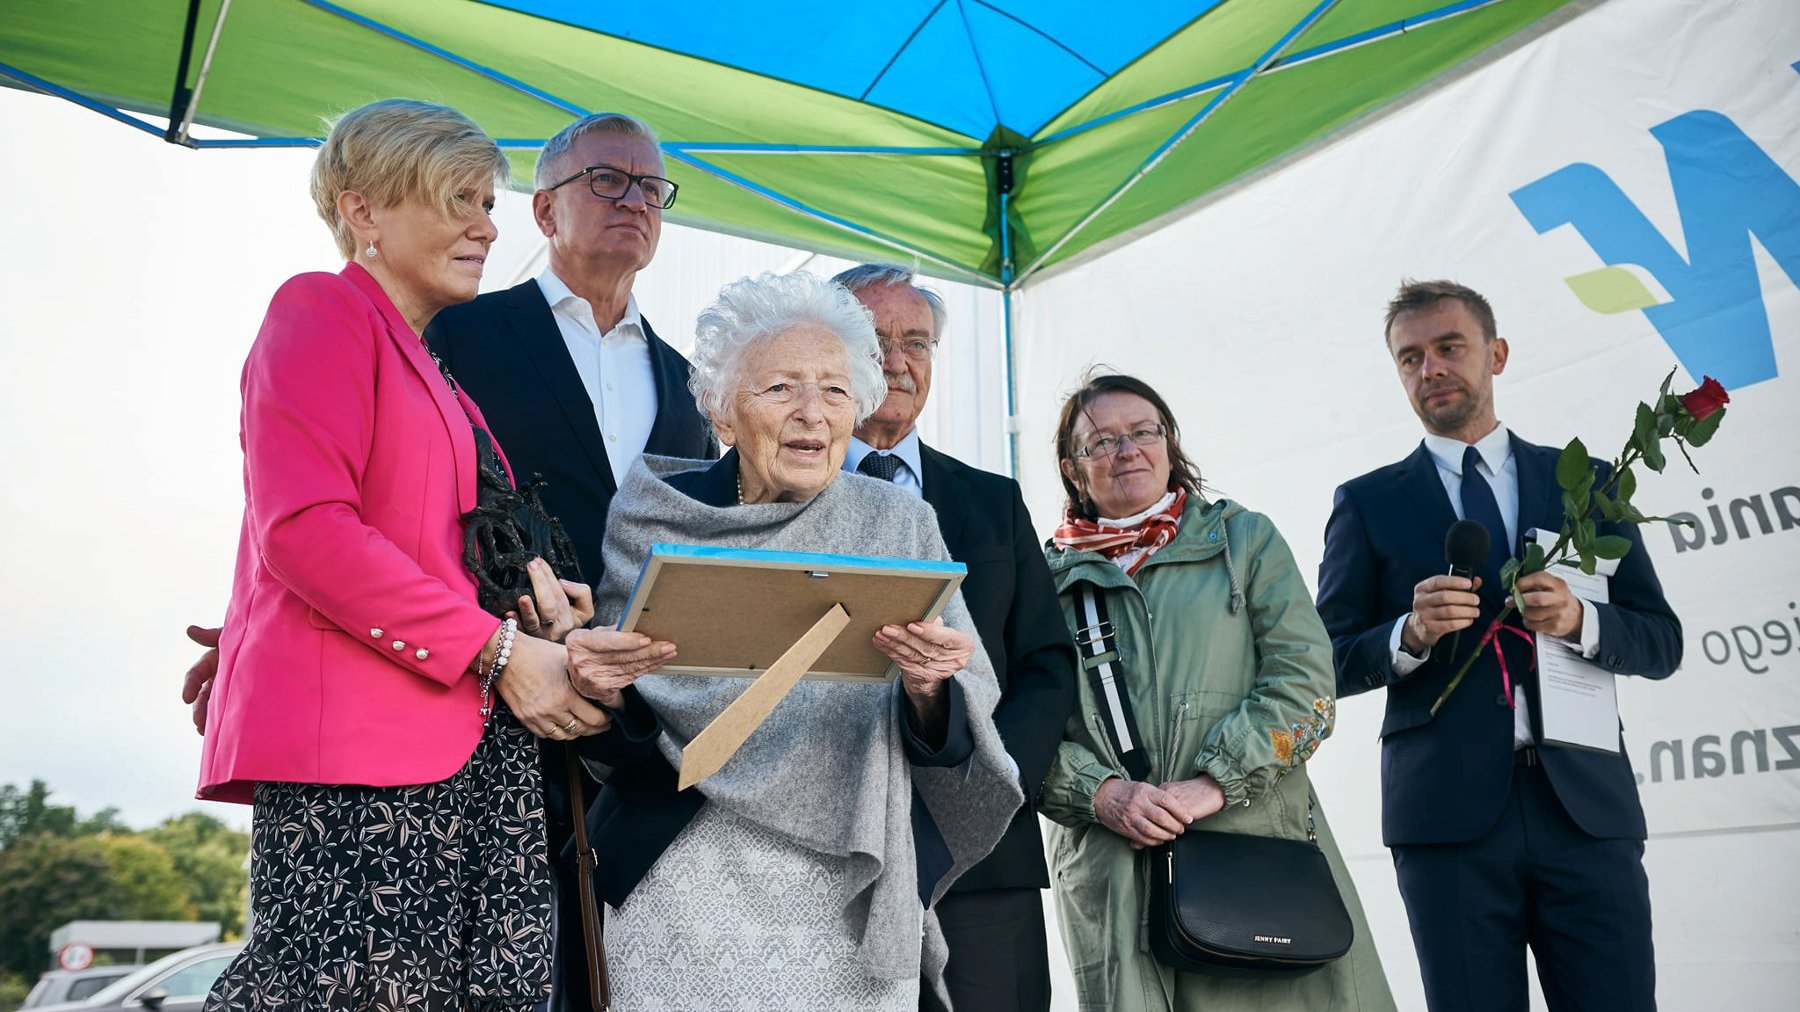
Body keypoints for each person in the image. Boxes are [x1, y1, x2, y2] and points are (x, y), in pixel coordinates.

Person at [196, 99, 605, 1010]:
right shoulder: (319, 310)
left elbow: (430, 545)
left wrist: (542, 604)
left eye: (488, 203)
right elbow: (303, 529)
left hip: (479, 755)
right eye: (455, 199)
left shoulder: (434, 367)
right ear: (363, 210)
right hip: (370, 761)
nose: (485, 225)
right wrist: (496, 650)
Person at [561, 271, 1022, 1010]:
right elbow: (623, 731)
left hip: (849, 879)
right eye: (780, 388)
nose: (813, 413)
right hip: (684, 873)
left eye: (836, 391)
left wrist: (929, 687)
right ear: (722, 410)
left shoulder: (899, 525)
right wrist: (608, 689)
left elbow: (964, 712)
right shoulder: (655, 512)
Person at [1316, 280, 1681, 1011]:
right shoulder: (1368, 501)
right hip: (1446, 821)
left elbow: (1661, 642)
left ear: (1498, 354)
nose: (1431, 370)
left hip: (1585, 812)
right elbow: (1322, 660)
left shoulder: (1589, 487)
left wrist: (1584, 620)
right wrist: (1408, 635)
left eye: (1449, 348)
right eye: (1410, 358)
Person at [425, 110, 714, 1012]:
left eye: (651, 187)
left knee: (621, 968)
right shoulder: (465, 330)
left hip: (643, 720)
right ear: (544, 210)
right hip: (499, 692)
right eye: (608, 180)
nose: (635, 200)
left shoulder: (690, 378)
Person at [1039, 373, 1394, 1012]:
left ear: (1169, 443)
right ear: (1073, 468)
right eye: (1102, 441)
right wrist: (1101, 793)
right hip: (1113, 866)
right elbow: (1019, 727)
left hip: (1252, 851)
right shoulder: (1040, 579)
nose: (1127, 450)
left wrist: (1213, 784)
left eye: (1144, 431)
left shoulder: (1243, 540)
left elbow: (1305, 683)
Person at [831, 263, 1075, 1012]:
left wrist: (988, 785)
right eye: (876, 342)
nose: (900, 362)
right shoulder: (777, 495)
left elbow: (1046, 664)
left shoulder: (992, 501)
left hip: (983, 863)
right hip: (834, 852)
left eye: (918, 342)